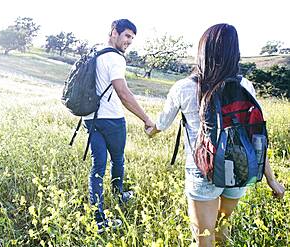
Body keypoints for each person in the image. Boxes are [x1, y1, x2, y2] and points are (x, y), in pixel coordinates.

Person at [145, 23, 285, 246]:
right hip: (240, 166)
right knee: (222, 228)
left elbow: (161, 124)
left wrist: (149, 129)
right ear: (234, 53)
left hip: (203, 169)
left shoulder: (183, 87)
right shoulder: (245, 86)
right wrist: (271, 179)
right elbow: (255, 136)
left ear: (203, 51)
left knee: (203, 237)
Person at [83, 19, 154, 233]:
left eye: (132, 37)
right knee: (118, 159)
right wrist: (147, 119)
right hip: (112, 119)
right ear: (114, 32)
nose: (129, 41)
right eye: (127, 36)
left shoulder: (95, 53)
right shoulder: (115, 58)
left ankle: (98, 221)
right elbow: (123, 93)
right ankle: (119, 194)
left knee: (98, 167)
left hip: (90, 118)